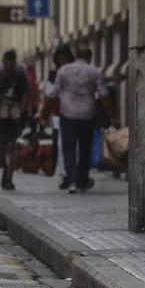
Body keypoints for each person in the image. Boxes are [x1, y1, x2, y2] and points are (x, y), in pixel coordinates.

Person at [49, 45, 108, 193]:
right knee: (84, 148)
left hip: (67, 113)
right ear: (89, 57)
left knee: (68, 147)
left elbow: (53, 93)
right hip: (87, 114)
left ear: (76, 55)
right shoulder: (94, 71)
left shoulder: (63, 70)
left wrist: (43, 112)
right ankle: (82, 180)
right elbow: (103, 94)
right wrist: (112, 115)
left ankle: (72, 181)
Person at [0, 49, 29, 191]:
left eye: (10, 64)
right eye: (5, 63)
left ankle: (9, 177)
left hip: (14, 118)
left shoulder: (19, 77)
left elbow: (25, 96)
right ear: (3, 62)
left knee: (12, 148)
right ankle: (4, 168)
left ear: (14, 63)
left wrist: (23, 113)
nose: (7, 67)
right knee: (1, 148)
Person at [39, 46, 75, 189]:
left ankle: (74, 173)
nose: (62, 61)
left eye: (65, 57)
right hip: (59, 114)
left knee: (72, 146)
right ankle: (64, 175)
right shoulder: (54, 74)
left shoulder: (75, 71)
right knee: (62, 146)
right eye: (60, 58)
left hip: (74, 113)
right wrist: (44, 112)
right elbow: (49, 93)